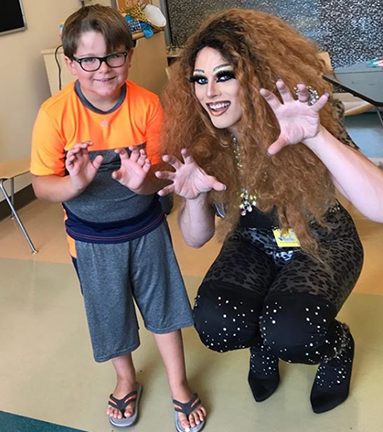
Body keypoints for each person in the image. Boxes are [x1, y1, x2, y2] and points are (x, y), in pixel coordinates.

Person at [155, 8, 383, 415]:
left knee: (293, 331)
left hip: (322, 239)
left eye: (225, 75)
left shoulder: (303, 116)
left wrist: (317, 137)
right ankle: (262, 340)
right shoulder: (205, 140)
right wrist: (191, 199)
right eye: (200, 80)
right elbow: (195, 237)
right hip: (254, 242)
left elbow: (378, 206)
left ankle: (337, 347)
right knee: (215, 322)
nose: (210, 92)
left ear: (255, 75)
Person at [30, 5, 206, 431]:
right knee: (110, 315)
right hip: (88, 241)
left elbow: (160, 180)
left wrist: (140, 183)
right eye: (89, 60)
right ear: (71, 64)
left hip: (146, 229)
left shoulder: (147, 106)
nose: (103, 69)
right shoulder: (55, 114)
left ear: (129, 54)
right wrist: (74, 184)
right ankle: (126, 379)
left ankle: (179, 384)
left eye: (114, 56)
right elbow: (41, 186)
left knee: (164, 308)